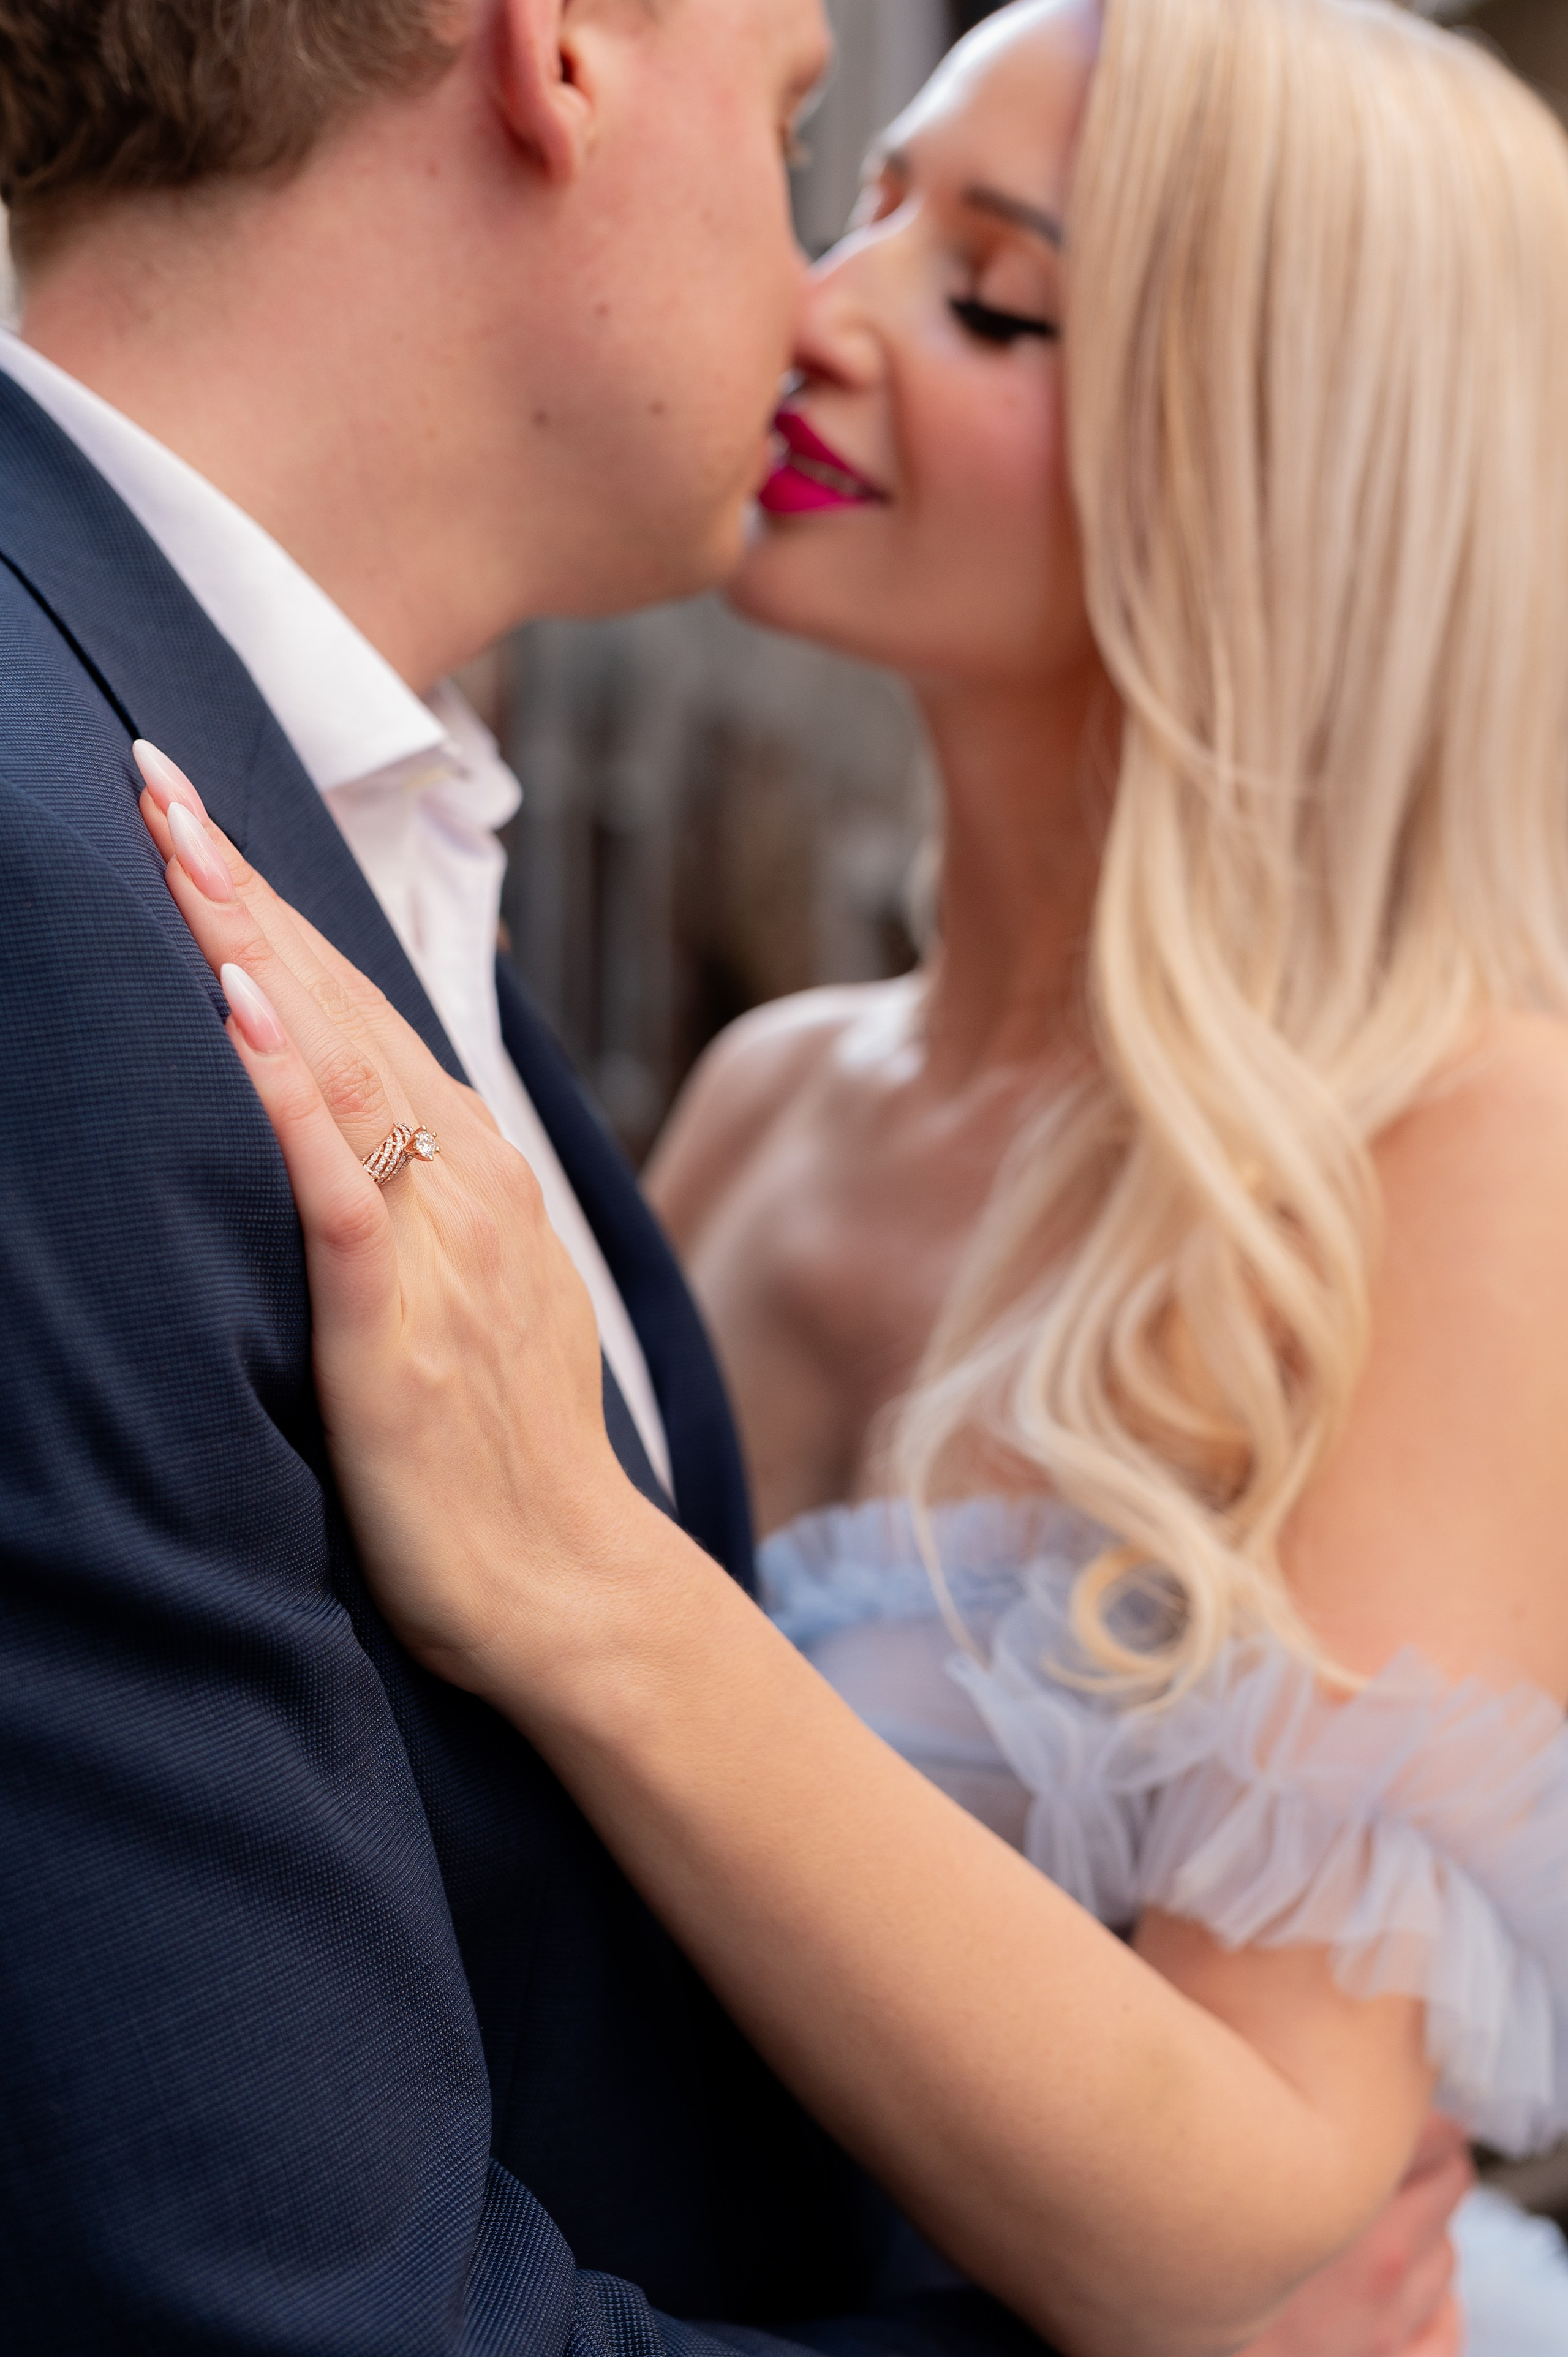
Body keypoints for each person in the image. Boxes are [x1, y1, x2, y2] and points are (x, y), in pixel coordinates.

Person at [122, 2, 1568, 2355]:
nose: (828, 311)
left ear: (1277, 463)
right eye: (865, 199)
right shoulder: (770, 1097)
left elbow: (1284, 2207)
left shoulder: (1463, 1145)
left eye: (992, 295)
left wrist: (582, 1571)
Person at [0, 2, 998, 2350]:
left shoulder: (323, 812)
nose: (818, 293)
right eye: (795, 130)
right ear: (557, 54)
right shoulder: (49, 901)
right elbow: (293, 2305)